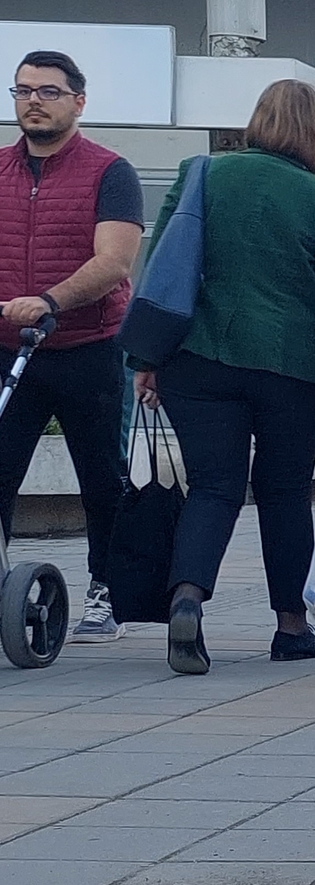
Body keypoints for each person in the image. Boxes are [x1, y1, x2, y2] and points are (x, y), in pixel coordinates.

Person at [129, 80, 315, 674]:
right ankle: (290, 627)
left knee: (214, 487)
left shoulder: (201, 172)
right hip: (293, 369)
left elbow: (164, 268)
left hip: (197, 360)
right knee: (283, 492)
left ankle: (187, 600)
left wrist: (146, 359)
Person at [0, 51, 144, 643]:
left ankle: (104, 595)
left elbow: (114, 261)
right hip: (11, 351)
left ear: (78, 102)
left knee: (101, 480)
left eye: (49, 92)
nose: (33, 100)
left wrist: (50, 300)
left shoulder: (111, 171)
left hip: (87, 348)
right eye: (23, 90)